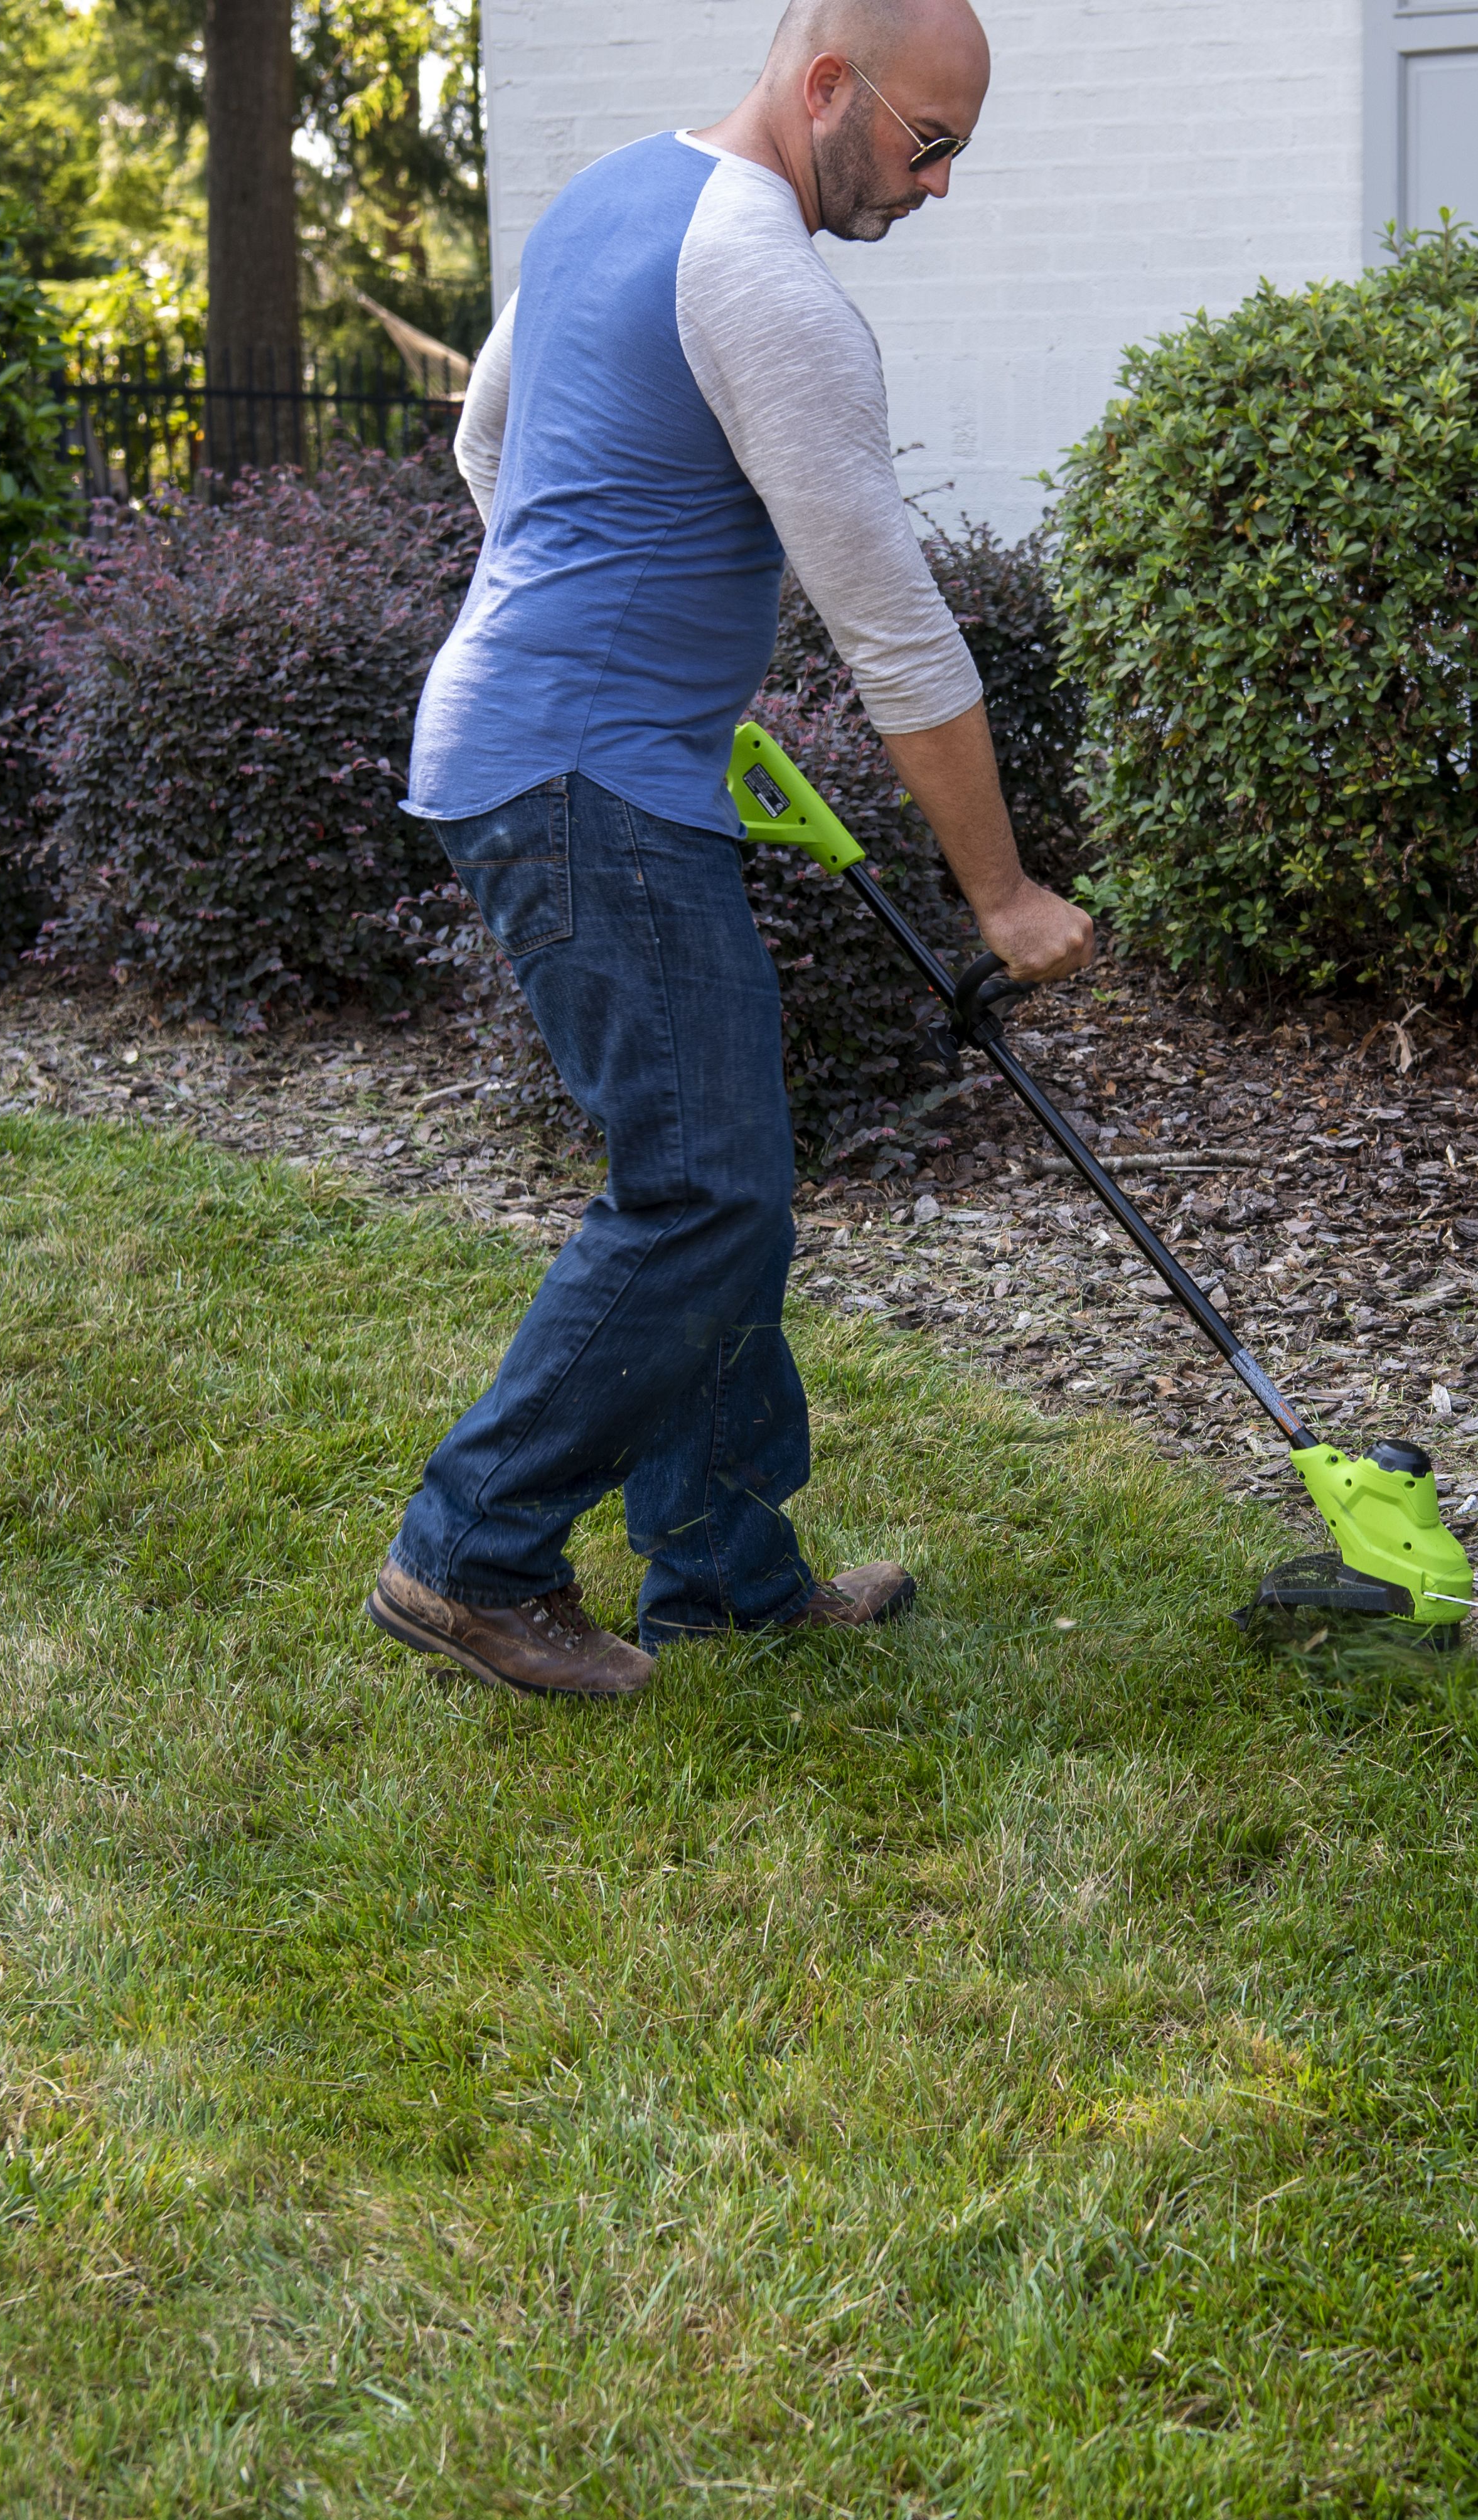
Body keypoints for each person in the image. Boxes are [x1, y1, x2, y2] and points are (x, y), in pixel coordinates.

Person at [367, 0, 1092, 1702]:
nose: (938, 184)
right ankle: (469, 1555)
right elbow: (893, 630)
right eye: (928, 144)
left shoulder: (616, 193)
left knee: (724, 1178)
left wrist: (612, 626)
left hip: (556, 749)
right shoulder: (769, 287)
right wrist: (1001, 893)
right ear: (827, 84)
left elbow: (487, 446)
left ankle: (724, 1575)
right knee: (705, 1189)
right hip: (579, 770)